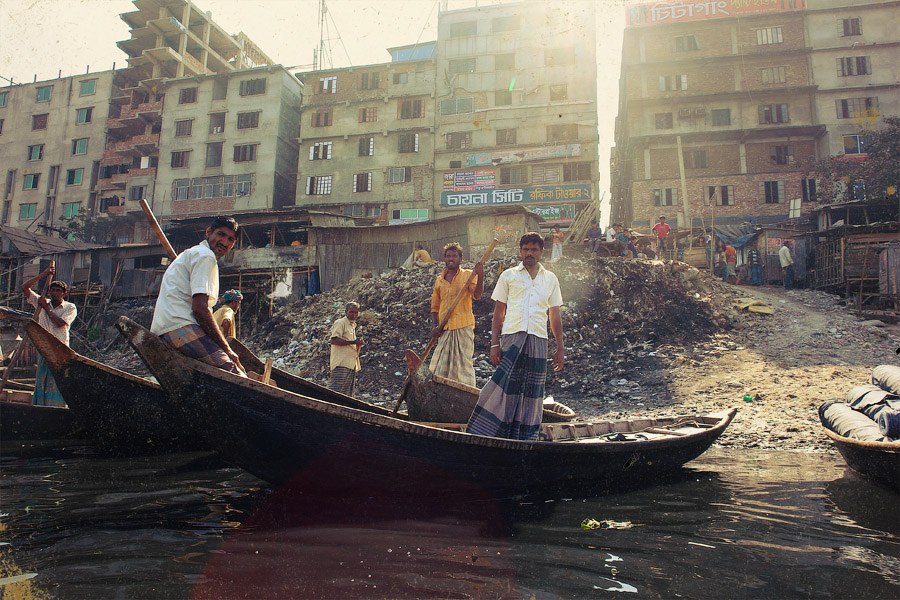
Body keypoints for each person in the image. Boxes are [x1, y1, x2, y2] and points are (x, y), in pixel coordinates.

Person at [466, 232, 564, 441]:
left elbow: (554, 315)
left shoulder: (550, 278)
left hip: (538, 338)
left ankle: (526, 437)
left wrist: (560, 348)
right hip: (512, 337)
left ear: (541, 252)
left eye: (534, 249)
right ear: (520, 251)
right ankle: (489, 431)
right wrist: (494, 344)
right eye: (526, 249)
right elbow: (498, 313)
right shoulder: (508, 276)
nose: (530, 253)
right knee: (504, 386)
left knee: (532, 391)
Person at [150, 216, 245, 375]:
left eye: (230, 239)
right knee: (235, 373)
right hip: (180, 327)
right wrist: (227, 350)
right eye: (221, 234)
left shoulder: (192, 253)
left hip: (168, 327)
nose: (224, 242)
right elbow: (200, 309)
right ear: (208, 232)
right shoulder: (205, 256)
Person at [429, 243, 485, 387]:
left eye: (454, 256)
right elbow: (435, 307)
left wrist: (480, 276)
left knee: (463, 366)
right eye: (448, 256)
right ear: (444, 258)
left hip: (463, 327)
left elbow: (477, 295)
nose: (451, 259)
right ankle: (441, 391)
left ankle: (465, 392)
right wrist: (435, 326)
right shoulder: (439, 280)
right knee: (440, 366)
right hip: (445, 329)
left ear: (461, 258)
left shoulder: (468, 275)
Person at [22, 265, 76, 407]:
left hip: (60, 349)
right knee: (42, 378)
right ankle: (40, 406)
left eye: (58, 291)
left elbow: (60, 323)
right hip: (44, 348)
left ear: (64, 293)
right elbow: (25, 287)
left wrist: (46, 308)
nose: (55, 293)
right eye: (53, 290)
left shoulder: (70, 307)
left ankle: (58, 407)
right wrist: (44, 274)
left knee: (58, 379)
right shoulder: (41, 302)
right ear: (49, 291)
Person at [329, 301, 362, 396]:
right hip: (341, 363)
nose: (354, 314)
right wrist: (354, 342)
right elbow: (334, 340)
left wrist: (358, 343)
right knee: (335, 392)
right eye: (351, 312)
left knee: (346, 394)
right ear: (346, 312)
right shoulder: (340, 322)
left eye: (356, 312)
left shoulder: (352, 325)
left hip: (350, 364)